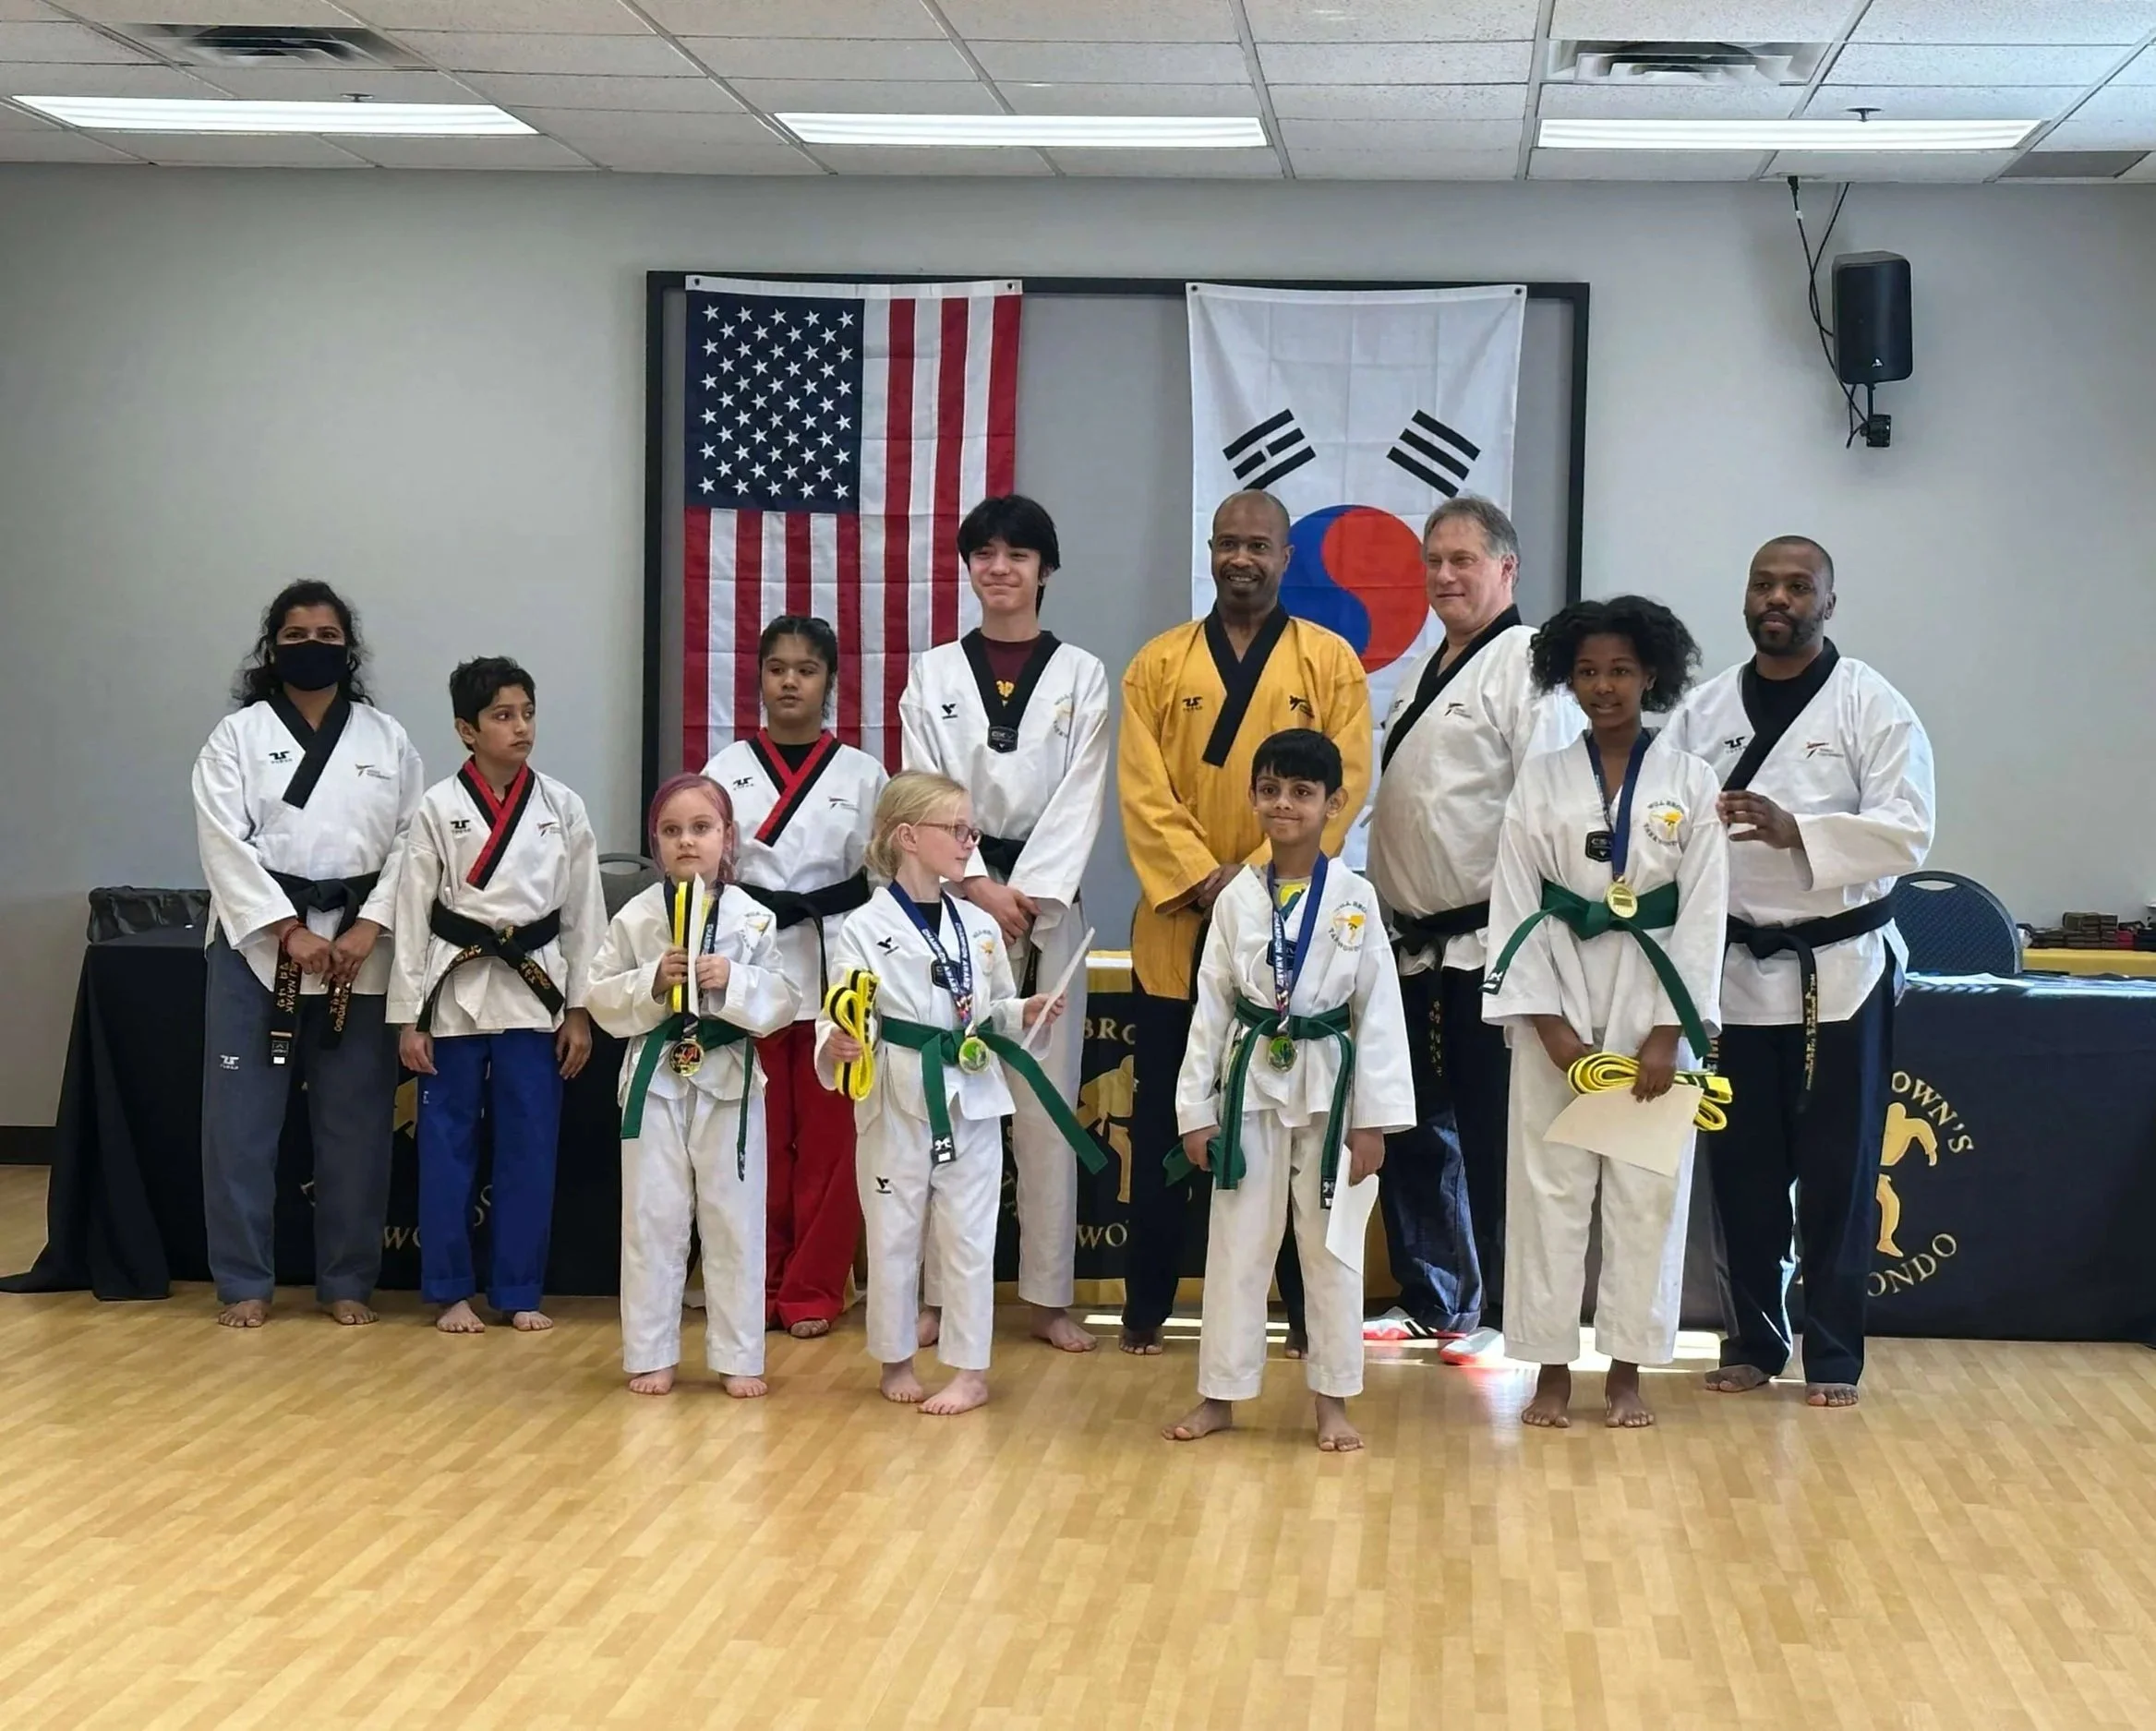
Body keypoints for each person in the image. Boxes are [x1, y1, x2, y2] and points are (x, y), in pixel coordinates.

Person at [1664, 536, 1934, 1409]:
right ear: (1745, 596)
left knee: (1837, 1171)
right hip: (1736, 969)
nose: (1776, 598)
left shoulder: (1871, 706)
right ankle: (1750, 1339)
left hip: (1838, 971)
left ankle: (1833, 1353)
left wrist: (1798, 830)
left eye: (1795, 586)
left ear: (1827, 601)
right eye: (1761, 583)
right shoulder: (1704, 711)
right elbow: (1662, 825)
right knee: (1739, 1167)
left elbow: (1907, 830)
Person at [1117, 489, 1372, 1357]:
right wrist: (1205, 881)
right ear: (1211, 551)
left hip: (1290, 924)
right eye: (1227, 543)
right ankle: (1148, 1305)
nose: (1240, 558)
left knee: (1300, 1130)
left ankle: (1305, 1318)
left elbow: (1344, 783)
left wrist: (1262, 881)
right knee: (1170, 1122)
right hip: (1179, 926)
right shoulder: (1157, 663)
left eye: (1257, 545)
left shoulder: (1330, 661)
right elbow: (1142, 790)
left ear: (1286, 555)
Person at [1482, 597, 1728, 1429]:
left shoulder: (1691, 782)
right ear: (1566, 677)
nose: (1603, 686)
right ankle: (1550, 1366)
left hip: (1653, 993)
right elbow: (1515, 900)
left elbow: (1703, 913)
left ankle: (1625, 1368)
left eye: (1619, 669)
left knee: (1642, 1190)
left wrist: (1668, 1032)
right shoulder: (1542, 779)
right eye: (1586, 671)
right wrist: (1546, 1024)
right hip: (1560, 990)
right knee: (1549, 1187)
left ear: (1650, 674)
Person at [1365, 496, 1578, 1354]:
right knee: (1412, 1120)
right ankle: (1433, 1291)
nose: (1444, 576)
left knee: (1492, 1130)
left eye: (1463, 560)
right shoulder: (1429, 667)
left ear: (1507, 569)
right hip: (1412, 941)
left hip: (1490, 938)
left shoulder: (1531, 666)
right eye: (1433, 561)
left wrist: (1535, 950)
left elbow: (1549, 811)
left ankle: (1500, 1309)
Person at [1162, 730, 1414, 1453]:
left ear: (1333, 803)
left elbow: (1379, 1014)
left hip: (1331, 1088)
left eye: (1302, 792)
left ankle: (1332, 1399)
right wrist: (1194, 1111)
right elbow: (1209, 1007)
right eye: (1270, 789)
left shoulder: (1356, 898)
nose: (1284, 804)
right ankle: (1220, 1391)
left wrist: (1375, 1122)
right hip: (1248, 1086)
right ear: (1252, 796)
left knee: (1330, 1249)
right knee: (1237, 1243)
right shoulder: (1238, 896)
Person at [900, 495, 1111, 1354]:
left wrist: (1029, 897)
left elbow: (1081, 794)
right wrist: (978, 883)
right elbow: (921, 790)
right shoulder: (934, 671)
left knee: (1044, 1109)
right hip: (954, 909)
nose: (999, 568)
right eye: (983, 553)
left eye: (1017, 555)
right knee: (948, 1104)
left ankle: (1049, 1296)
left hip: (1047, 915)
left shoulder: (1082, 674)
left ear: (1045, 570)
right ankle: (941, 1299)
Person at [192, 581, 421, 1328]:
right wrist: (287, 929)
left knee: (356, 1127)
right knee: (240, 1126)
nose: (312, 645)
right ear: (272, 647)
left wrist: (370, 926)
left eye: (327, 634)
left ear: (348, 648)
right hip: (259, 947)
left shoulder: (386, 738)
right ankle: (242, 1280)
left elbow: (413, 844)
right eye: (297, 633)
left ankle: (348, 1278)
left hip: (360, 950)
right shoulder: (238, 736)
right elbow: (222, 843)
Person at [814, 773, 1078, 1416]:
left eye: (971, 830)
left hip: (971, 1093)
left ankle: (968, 1369)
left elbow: (987, 1007)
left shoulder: (977, 926)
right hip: (895, 1092)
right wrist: (837, 1044)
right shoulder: (861, 927)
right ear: (908, 836)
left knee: (969, 1236)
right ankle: (896, 1355)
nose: (968, 843)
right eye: (955, 830)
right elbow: (841, 1008)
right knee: (894, 1233)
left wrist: (1025, 1012)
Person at [388, 656, 605, 1336]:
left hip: (534, 994)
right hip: (452, 992)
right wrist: (409, 1018)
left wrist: (579, 1009)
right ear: (466, 729)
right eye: (502, 715)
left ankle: (517, 1287)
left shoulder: (562, 806)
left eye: (527, 713)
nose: (520, 728)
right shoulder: (437, 808)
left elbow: (582, 916)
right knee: (446, 1146)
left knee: (529, 1146)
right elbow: (412, 914)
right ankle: (450, 1288)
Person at [584, 774, 801, 1397]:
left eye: (701, 829)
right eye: (673, 831)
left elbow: (784, 999)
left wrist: (731, 979)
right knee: (653, 1217)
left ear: (727, 838)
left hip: (728, 1080)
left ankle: (738, 1355)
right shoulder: (635, 917)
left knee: (734, 1218)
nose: (687, 841)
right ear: (656, 843)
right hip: (655, 1079)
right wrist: (651, 981)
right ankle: (651, 1351)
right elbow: (599, 996)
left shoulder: (753, 918)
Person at [703, 617, 886, 1340]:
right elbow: (709, 872)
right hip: (746, 968)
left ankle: (812, 1287)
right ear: (757, 679)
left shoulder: (863, 775)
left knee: (830, 1145)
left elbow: (878, 883)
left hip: (834, 964)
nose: (789, 681)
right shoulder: (725, 770)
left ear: (829, 683)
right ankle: (759, 1279)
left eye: (805, 669)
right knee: (755, 1136)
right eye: (776, 667)